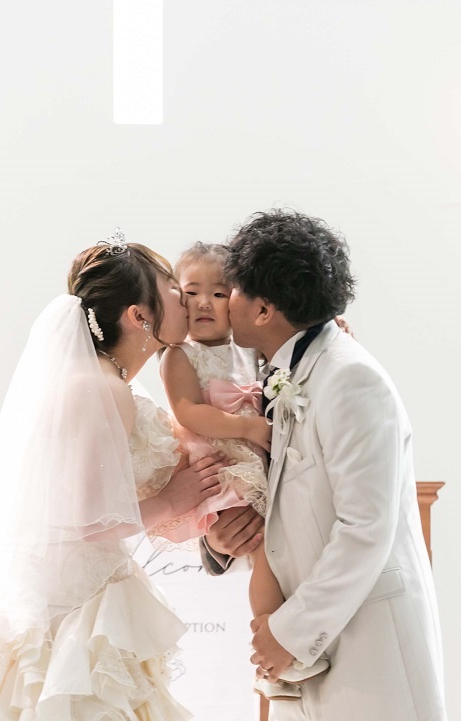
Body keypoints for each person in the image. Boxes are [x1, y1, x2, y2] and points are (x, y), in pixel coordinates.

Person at [0, 229, 227, 721]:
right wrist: (171, 500)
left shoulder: (111, 381)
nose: (186, 298)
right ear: (139, 316)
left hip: (86, 591)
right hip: (69, 611)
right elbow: (86, 519)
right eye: (172, 288)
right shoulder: (99, 386)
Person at [205, 209, 447, 721]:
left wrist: (289, 634)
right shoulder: (277, 373)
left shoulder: (351, 379)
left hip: (369, 652)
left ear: (264, 310)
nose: (225, 301)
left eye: (234, 290)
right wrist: (218, 542)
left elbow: (366, 527)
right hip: (309, 662)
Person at [154, 242, 329, 701]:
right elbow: (188, 411)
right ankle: (271, 651)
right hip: (223, 464)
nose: (205, 303)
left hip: (258, 462)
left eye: (219, 293)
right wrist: (248, 427)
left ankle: (286, 647)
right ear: (176, 299)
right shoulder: (178, 355)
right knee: (265, 551)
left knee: (281, 552)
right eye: (192, 292)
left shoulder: (251, 352)